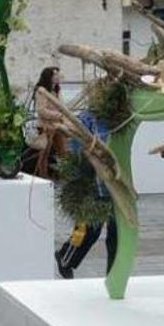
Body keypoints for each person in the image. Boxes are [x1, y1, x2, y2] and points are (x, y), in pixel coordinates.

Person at [55, 110, 118, 279]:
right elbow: (77, 153)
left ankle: (114, 276)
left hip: (117, 187)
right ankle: (65, 258)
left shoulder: (120, 119)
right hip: (93, 186)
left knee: (117, 234)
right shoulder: (87, 119)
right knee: (88, 231)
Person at [29, 66, 66, 179]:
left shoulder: (57, 90)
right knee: (44, 154)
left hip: (58, 125)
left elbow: (62, 107)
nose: (58, 77)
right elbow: (41, 110)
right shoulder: (42, 91)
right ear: (49, 77)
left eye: (58, 74)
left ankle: (65, 176)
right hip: (46, 126)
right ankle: (43, 177)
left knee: (63, 152)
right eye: (55, 75)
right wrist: (57, 115)